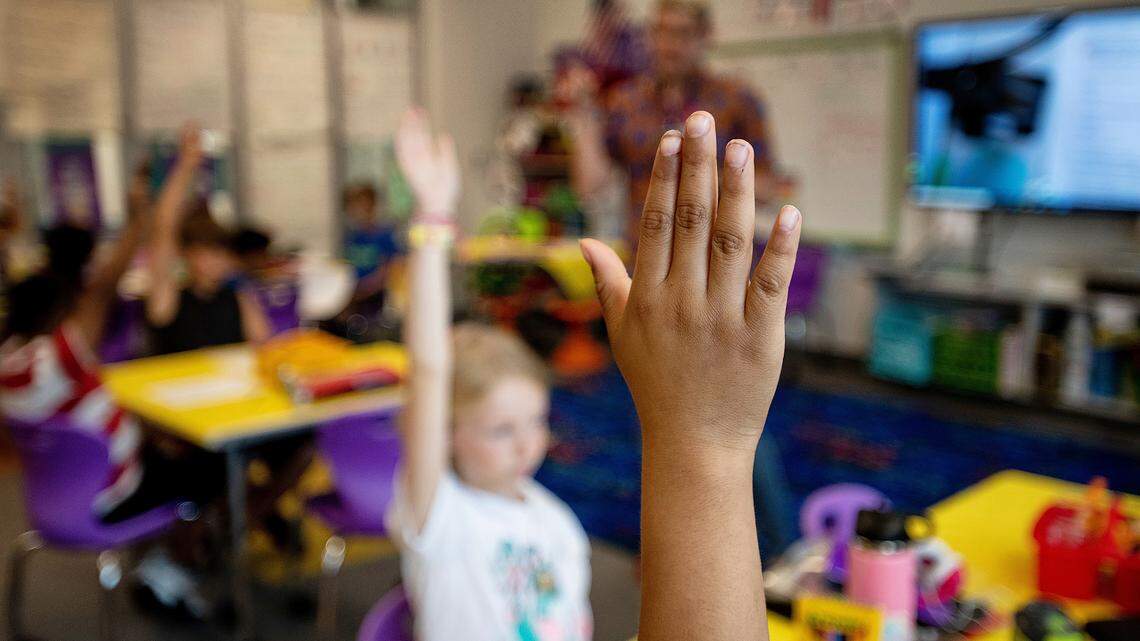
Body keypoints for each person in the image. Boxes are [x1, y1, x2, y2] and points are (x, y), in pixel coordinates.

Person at [579, 111, 802, 640]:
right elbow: (591, 178)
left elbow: (772, 179)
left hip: (711, 295)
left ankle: (778, 546)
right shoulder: (628, 97)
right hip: (655, 288)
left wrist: (693, 433)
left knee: (733, 433)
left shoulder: (734, 95)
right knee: (726, 429)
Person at [0, 133, 230, 617]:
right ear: (57, 315)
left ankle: (163, 555)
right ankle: (167, 571)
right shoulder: (58, 353)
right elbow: (107, 282)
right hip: (110, 494)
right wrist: (139, 213)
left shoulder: (11, 366)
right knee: (212, 468)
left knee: (165, 447)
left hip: (50, 499)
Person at [385, 108, 592, 641]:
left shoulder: (559, 525)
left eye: (536, 422)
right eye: (502, 430)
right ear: (449, 433)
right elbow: (429, 372)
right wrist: (432, 217)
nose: (527, 445)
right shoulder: (440, 517)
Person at [560, 0, 776, 245]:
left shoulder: (737, 100)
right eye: (660, 32)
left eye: (682, 33)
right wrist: (583, 112)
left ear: (706, 35)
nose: (669, 45)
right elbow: (589, 187)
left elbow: (768, 188)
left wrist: (701, 176)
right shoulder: (625, 101)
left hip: (712, 256)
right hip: (643, 252)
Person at [146, 126, 270, 355]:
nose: (218, 261)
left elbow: (263, 345)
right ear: (187, 254)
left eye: (222, 252)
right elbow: (163, 228)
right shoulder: (169, 299)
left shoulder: (237, 297)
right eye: (208, 252)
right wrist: (186, 166)